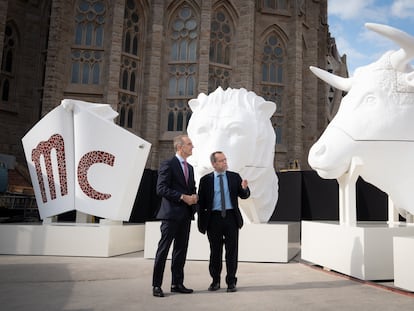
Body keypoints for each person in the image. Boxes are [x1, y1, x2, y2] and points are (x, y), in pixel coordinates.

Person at [152, 135, 198, 297]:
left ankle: (177, 283)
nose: (193, 146)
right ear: (180, 147)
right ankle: (157, 285)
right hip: (170, 215)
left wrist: (194, 196)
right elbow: (161, 189)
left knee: (180, 250)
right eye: (189, 144)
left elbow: (191, 187)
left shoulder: (190, 168)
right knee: (163, 250)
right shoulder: (168, 164)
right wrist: (182, 197)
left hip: (185, 215)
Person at [197, 151, 250, 293]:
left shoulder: (234, 177)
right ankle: (215, 281)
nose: (225, 162)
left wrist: (245, 189)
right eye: (221, 161)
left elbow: (243, 195)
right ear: (214, 164)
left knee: (232, 252)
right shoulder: (205, 180)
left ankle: (231, 281)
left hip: (231, 218)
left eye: (225, 160)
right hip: (213, 219)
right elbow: (200, 204)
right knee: (215, 251)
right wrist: (201, 224)